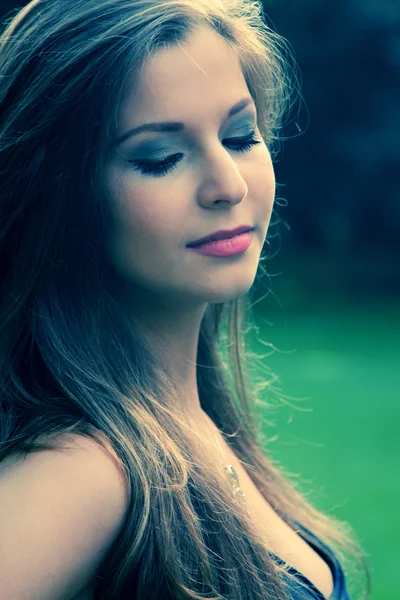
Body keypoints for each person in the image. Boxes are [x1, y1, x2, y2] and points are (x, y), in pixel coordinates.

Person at [0, 1, 370, 599]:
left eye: (239, 135)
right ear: (58, 196)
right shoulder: (81, 471)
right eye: (159, 158)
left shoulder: (190, 425)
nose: (229, 184)